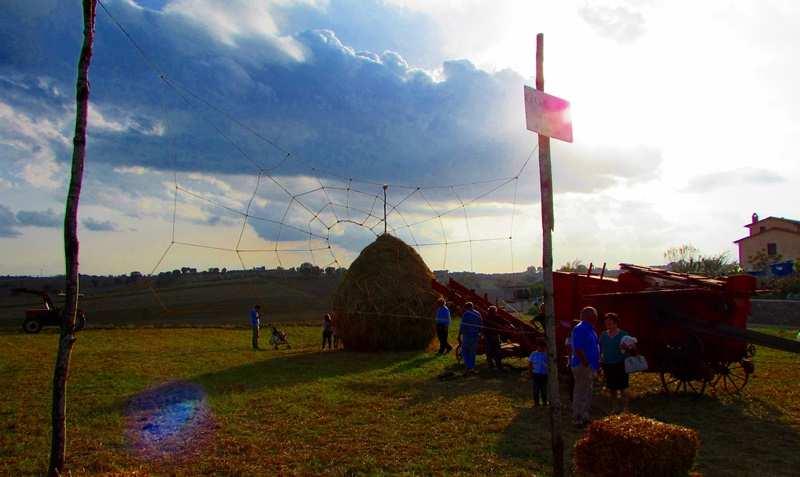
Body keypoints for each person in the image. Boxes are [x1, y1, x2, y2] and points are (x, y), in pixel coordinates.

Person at [570, 306, 600, 427]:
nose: (596, 316)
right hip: (582, 365)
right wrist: (586, 363)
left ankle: (585, 416)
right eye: (594, 314)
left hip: (589, 366)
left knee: (587, 391)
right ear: (588, 316)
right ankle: (577, 418)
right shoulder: (580, 329)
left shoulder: (591, 329)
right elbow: (578, 348)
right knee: (581, 391)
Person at [599, 313, 630, 413]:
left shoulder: (623, 335)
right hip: (608, 364)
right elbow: (599, 348)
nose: (609, 325)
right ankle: (615, 407)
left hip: (621, 364)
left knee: (623, 387)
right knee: (612, 388)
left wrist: (627, 348)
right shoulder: (604, 335)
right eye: (607, 323)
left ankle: (625, 408)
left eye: (611, 323)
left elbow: (632, 348)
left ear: (616, 323)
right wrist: (600, 359)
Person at [458, 302, 482, 375]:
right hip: (475, 335)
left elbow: (462, 326)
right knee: (472, 352)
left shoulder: (466, 314)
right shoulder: (478, 313)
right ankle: (472, 368)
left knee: (464, 351)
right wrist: (480, 333)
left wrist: (459, 335)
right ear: (472, 306)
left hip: (467, 336)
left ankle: (468, 367)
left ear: (466, 307)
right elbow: (481, 324)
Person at [528, 338, 549, 406]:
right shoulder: (533, 354)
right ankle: (536, 403)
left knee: (544, 390)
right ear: (537, 347)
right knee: (535, 390)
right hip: (536, 374)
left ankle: (544, 403)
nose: (542, 348)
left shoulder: (547, 355)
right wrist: (530, 373)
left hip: (544, 375)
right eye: (540, 347)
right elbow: (530, 364)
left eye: (543, 347)